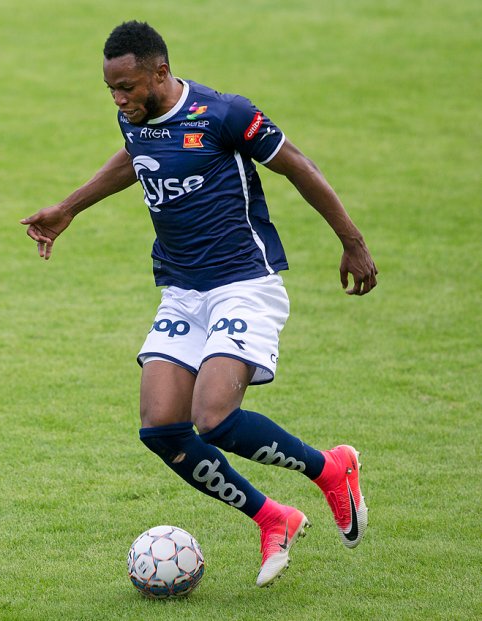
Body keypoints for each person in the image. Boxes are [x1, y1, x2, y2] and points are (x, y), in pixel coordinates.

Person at [20, 21, 377, 587]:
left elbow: (298, 166)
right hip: (183, 291)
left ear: (161, 72)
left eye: (128, 87)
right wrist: (70, 207)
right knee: (161, 427)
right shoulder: (134, 116)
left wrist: (352, 242)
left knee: (212, 419)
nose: (118, 99)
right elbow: (133, 157)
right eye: (110, 89)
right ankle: (273, 516)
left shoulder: (225, 115)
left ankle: (330, 468)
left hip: (244, 283)